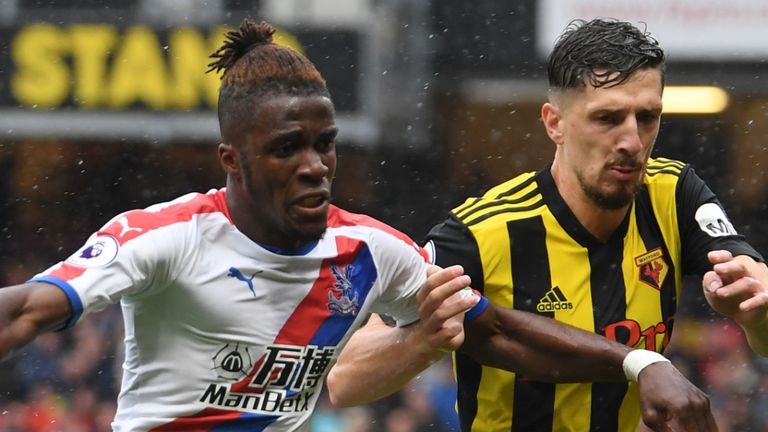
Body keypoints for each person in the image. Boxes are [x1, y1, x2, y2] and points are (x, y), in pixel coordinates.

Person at [0, 18, 716, 432]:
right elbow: (27, 310)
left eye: (326, 145)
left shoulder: (372, 251)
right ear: (232, 160)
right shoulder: (162, 236)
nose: (315, 167)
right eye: (287, 149)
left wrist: (641, 363)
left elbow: (495, 331)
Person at [328, 18, 768, 432]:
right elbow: (345, 380)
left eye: (646, 118)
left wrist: (756, 315)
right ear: (554, 123)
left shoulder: (674, 194)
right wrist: (426, 339)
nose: (632, 142)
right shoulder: (481, 233)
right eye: (607, 118)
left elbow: (757, 298)